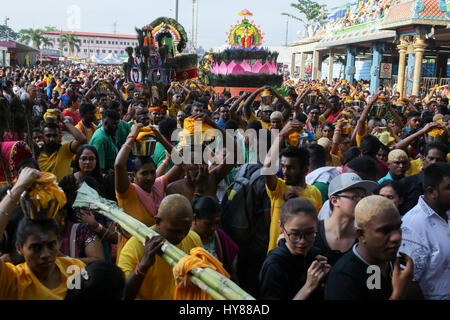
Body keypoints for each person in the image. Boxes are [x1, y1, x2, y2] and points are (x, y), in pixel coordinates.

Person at [0, 168, 86, 299]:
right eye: (35, 247)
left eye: (51, 245)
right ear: (19, 248)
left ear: (59, 241)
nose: (45, 255)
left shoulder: (74, 269)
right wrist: (19, 187)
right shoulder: (14, 279)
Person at [114, 123, 183, 260]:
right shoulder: (127, 192)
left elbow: (180, 162)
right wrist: (132, 135)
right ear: (133, 175)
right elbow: (118, 165)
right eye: (144, 173)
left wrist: (160, 138)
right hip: (133, 254)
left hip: (158, 253)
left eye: (152, 172)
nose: (150, 177)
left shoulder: (157, 185)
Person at [324, 195, 414, 300]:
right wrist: (398, 294)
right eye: (385, 231)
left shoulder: (391, 264)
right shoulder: (343, 278)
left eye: (398, 227)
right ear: (361, 235)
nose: (397, 237)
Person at [117, 194, 202, 300]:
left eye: (186, 230)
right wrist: (143, 265)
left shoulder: (194, 239)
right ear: (157, 221)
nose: (181, 236)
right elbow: (123, 296)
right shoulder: (133, 248)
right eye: (175, 231)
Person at [264, 120, 322, 253]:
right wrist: (281, 136)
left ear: (305, 168)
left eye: (291, 168)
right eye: (283, 166)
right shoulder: (278, 188)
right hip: (278, 257)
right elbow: (267, 166)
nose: (284, 171)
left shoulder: (315, 193)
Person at [258, 198, 331, 300]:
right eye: (295, 234)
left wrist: (323, 280)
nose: (302, 241)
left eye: (309, 233)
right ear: (281, 227)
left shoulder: (315, 254)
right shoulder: (274, 265)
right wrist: (308, 287)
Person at [400, 163, 450, 300]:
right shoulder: (412, 226)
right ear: (431, 191)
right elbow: (408, 282)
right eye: (449, 188)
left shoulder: (446, 213)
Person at [314, 173, 378, 266]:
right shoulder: (313, 232)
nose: (360, 202)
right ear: (334, 201)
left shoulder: (363, 240)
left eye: (363, 197)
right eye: (355, 196)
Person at [191, 196, 239, 278]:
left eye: (217, 223)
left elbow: (232, 262)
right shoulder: (186, 239)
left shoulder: (219, 236)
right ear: (194, 218)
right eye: (208, 224)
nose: (213, 228)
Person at [399, 142, 447, 215]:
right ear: (422, 158)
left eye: (439, 160)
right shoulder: (407, 183)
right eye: (431, 158)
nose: (434, 162)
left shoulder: (446, 187)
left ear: (444, 162)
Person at [38, 118, 87, 182]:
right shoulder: (36, 153)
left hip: (64, 190)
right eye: (48, 136)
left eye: (55, 136)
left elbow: (82, 139)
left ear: (60, 137)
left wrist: (64, 120)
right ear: (42, 137)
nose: (52, 139)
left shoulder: (65, 149)